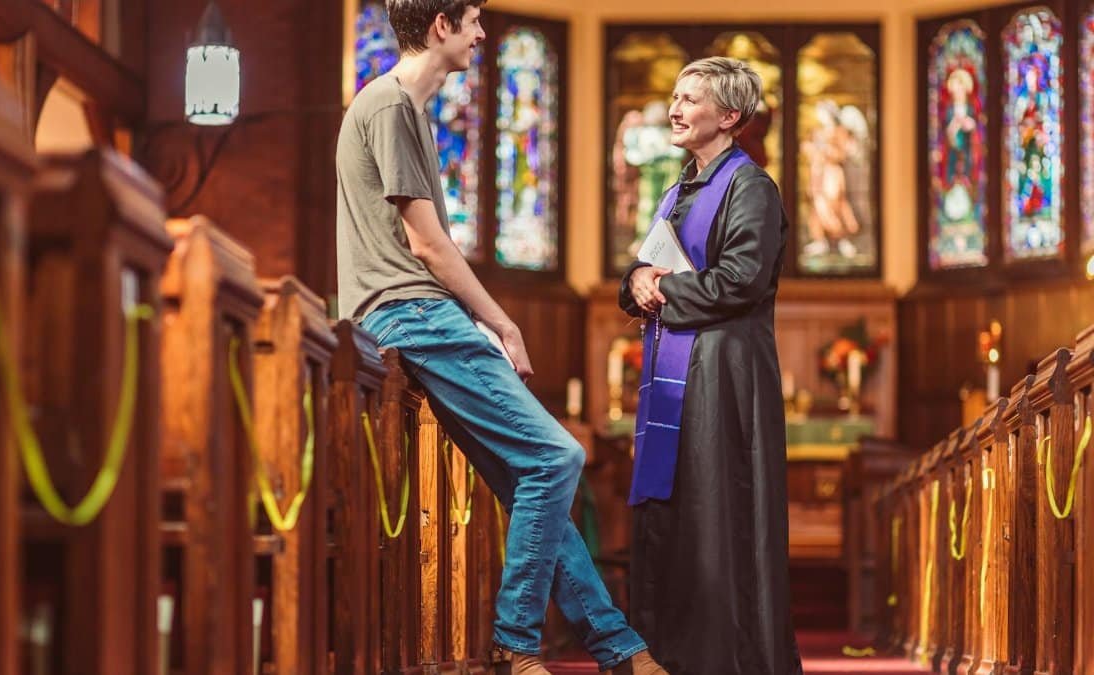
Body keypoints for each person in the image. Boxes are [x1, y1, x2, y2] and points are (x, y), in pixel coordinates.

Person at [336, 2, 665, 673]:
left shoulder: (403, 108)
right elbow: (426, 245)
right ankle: (516, 641)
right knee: (556, 458)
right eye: (474, 20)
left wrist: (482, 320)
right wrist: (504, 322)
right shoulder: (392, 104)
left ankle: (619, 649)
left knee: (530, 478)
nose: (483, 34)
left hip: (411, 314)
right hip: (412, 313)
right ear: (440, 26)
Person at [620, 56, 804, 675]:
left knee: (716, 514)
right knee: (674, 514)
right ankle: (666, 655)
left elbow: (741, 279)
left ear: (729, 116)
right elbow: (648, 268)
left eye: (690, 99)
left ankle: (724, 659)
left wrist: (661, 288)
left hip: (724, 377)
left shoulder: (750, 186)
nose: (675, 109)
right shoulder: (677, 191)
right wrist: (640, 281)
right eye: (674, 96)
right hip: (677, 370)